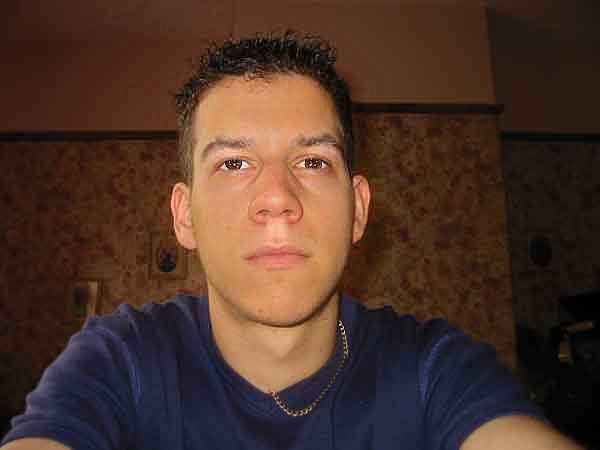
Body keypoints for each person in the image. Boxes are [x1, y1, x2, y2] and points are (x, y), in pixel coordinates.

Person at [1, 31, 582, 450]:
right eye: (233, 163)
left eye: (312, 161)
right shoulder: (117, 360)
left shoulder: (435, 369)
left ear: (358, 210)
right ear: (184, 216)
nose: (277, 197)